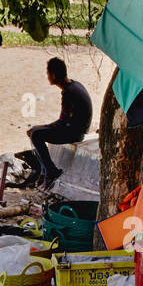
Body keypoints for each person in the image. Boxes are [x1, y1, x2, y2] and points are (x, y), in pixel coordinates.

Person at [26, 57, 92, 188]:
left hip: (74, 133)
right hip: (77, 128)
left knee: (36, 135)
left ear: (54, 75)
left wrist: (39, 127)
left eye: (48, 73)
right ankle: (45, 172)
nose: (47, 76)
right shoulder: (75, 84)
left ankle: (51, 171)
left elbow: (62, 122)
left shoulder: (68, 92)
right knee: (36, 132)